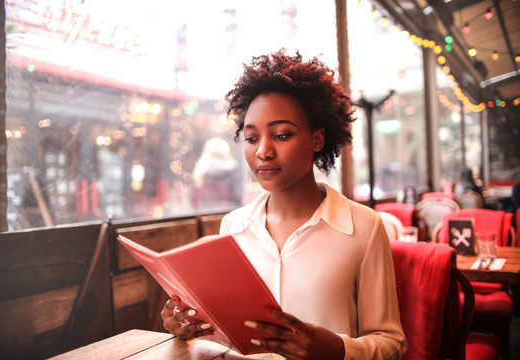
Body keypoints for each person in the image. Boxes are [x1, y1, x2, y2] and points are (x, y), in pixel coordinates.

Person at [161, 50, 406, 359]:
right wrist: (186, 322)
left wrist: (336, 349)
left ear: (317, 140)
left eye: (281, 134)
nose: (263, 151)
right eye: (251, 139)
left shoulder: (364, 228)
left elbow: (392, 344)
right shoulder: (233, 227)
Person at [191, 137, 242, 210]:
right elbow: (237, 195)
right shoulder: (232, 168)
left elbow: (194, 198)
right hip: (228, 211)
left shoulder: (201, 169)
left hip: (204, 212)